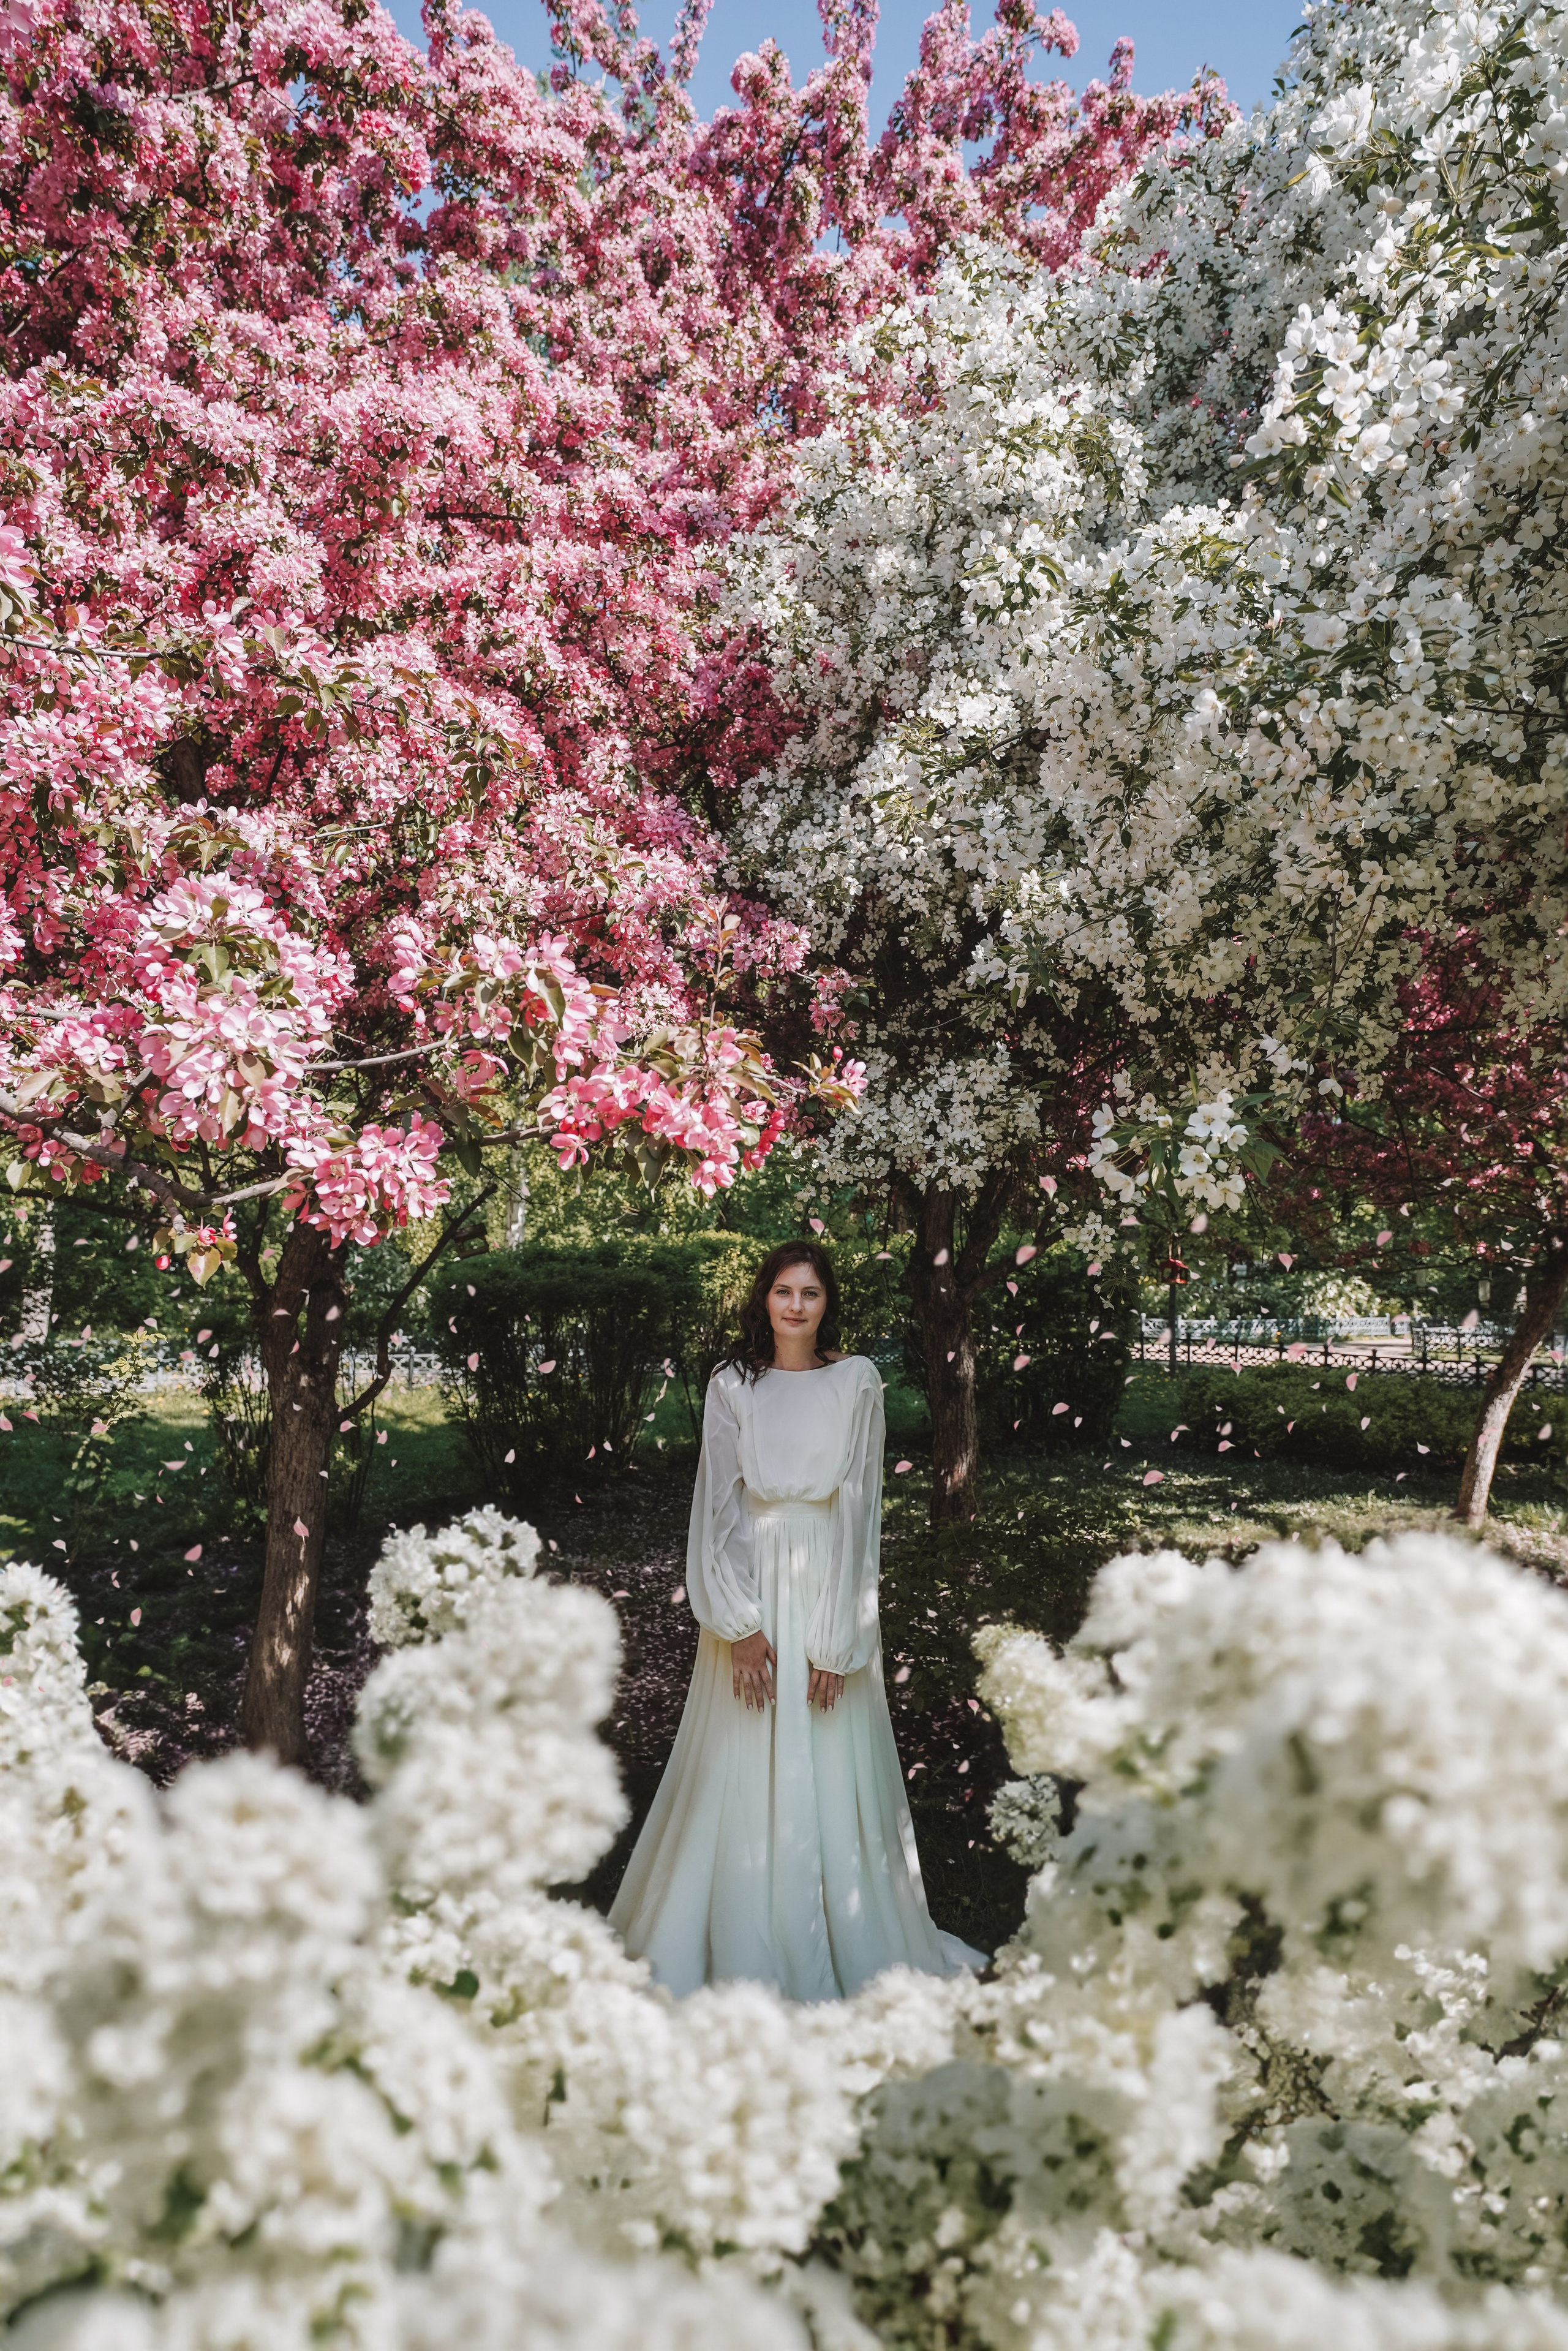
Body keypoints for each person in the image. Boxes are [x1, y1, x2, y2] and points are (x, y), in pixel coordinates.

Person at [608, 1240, 986, 2001]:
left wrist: (837, 1639)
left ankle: (837, 1931)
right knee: (740, 1757)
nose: (795, 1306)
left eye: (810, 1293)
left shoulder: (856, 1382)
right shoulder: (732, 1385)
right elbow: (715, 1509)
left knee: (827, 1749)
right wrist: (738, 1623)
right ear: (765, 1299)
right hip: (752, 1579)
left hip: (826, 1576)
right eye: (784, 1291)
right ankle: (731, 1934)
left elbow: (860, 1511)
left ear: (827, 1304)